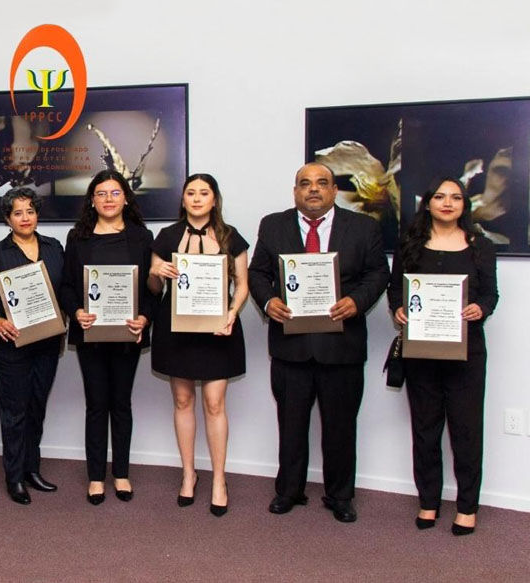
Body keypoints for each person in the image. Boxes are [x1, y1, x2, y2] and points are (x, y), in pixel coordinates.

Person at [248, 162, 389, 523]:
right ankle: (288, 490)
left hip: (342, 347)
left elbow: (378, 273)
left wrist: (357, 301)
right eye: (305, 183)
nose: (313, 189)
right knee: (291, 425)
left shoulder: (364, 227)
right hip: (290, 347)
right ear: (295, 191)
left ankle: (340, 495)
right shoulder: (273, 225)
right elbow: (258, 273)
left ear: (334, 191)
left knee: (341, 427)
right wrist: (268, 301)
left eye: (322, 183)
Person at [388, 177, 498, 536]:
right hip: (421, 351)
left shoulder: (481, 246)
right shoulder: (409, 244)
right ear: (428, 203)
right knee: (425, 430)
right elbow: (395, 290)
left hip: (467, 353)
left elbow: (490, 295)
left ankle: (467, 507)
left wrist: (480, 309)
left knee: (467, 432)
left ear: (464, 204)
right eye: (440, 196)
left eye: (455, 197)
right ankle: (429, 502)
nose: (447, 203)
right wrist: (398, 309)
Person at [147, 174, 249, 516]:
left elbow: (243, 285)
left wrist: (232, 313)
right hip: (176, 329)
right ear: (183, 199)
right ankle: (188, 474)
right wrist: (156, 271)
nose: (196, 198)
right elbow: (153, 287)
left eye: (204, 193)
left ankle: (219, 479)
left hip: (218, 328)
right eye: (190, 192)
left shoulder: (231, 236)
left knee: (215, 403)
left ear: (214, 199)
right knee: (182, 400)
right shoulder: (167, 236)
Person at [59, 170, 155, 505]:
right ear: (92, 200)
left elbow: (153, 288)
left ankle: (122, 473)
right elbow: (66, 286)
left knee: (121, 404)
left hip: (128, 334)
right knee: (97, 405)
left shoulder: (142, 237)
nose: (108, 199)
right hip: (92, 335)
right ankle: (96, 476)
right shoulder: (78, 237)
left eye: (115, 192)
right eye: (101, 193)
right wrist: (76, 312)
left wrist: (145, 317)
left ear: (126, 198)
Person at [0, 187, 65, 505]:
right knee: (14, 411)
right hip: (11, 344)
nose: (25, 218)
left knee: (36, 408)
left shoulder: (54, 248)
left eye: (30, 211)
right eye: (18, 213)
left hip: (47, 342)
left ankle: (32, 470)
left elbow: (65, 289)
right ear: (8, 219)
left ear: (37, 214)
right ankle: (14, 477)